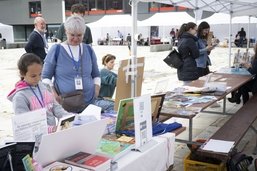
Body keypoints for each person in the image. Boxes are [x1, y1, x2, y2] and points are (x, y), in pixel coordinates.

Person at [42, 15, 113, 113]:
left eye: (79, 35)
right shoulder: (56, 50)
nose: (76, 39)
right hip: (65, 104)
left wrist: (96, 90)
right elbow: (45, 77)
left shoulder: (88, 50)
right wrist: (54, 95)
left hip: (89, 102)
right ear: (66, 32)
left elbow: (96, 74)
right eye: (72, 35)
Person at [7, 53, 70, 133]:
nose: (38, 78)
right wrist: (51, 129)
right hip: (35, 142)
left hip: (52, 136)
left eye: (40, 74)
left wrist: (69, 117)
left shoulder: (45, 87)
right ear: (23, 74)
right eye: (33, 76)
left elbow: (56, 108)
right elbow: (25, 125)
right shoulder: (20, 97)